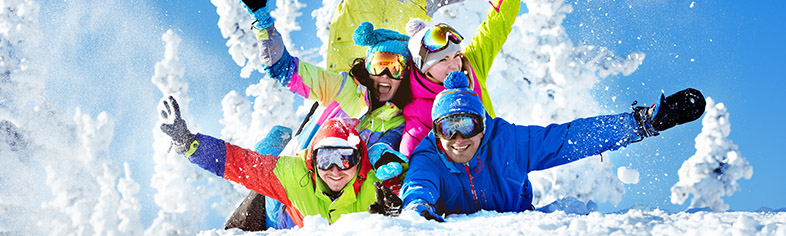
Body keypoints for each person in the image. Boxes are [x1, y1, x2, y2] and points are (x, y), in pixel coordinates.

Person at [370, 71, 706, 221]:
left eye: (467, 125)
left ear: (482, 125)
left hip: (519, 225)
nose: (458, 140)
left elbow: (569, 139)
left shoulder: (506, 142)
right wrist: (417, 210)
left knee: (574, 212)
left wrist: (639, 123)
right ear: (436, 131)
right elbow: (418, 187)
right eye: (448, 128)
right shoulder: (430, 156)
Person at [158, 96, 382, 227]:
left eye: (344, 159)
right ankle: (283, 137)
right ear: (313, 162)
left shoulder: (375, 187)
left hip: (296, 212)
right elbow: (241, 164)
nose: (334, 170)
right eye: (325, 160)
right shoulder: (296, 175)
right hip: (275, 217)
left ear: (359, 158)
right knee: (269, 155)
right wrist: (191, 144)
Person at [400, 0, 521, 156]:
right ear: (424, 68)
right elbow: (412, 160)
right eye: (443, 60)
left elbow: (498, 25)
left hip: (502, 168)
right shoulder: (419, 113)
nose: (454, 66)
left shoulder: (471, 67)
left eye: (456, 56)